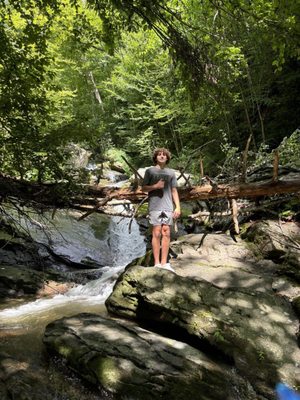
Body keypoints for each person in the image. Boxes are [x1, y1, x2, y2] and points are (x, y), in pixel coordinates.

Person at [142, 148, 181, 272]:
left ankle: (165, 263)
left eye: (164, 155)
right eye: (159, 154)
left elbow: (174, 190)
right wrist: (155, 186)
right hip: (155, 206)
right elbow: (143, 188)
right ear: (155, 157)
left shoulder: (171, 173)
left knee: (166, 232)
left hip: (168, 206)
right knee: (156, 232)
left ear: (167, 158)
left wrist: (178, 207)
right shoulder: (149, 171)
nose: (162, 156)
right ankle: (157, 263)